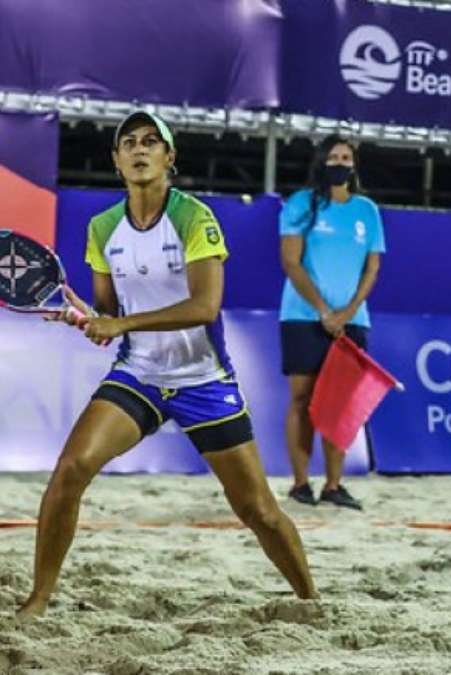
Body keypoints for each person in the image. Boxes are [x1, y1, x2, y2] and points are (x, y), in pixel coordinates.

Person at [17, 111, 317, 618]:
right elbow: (111, 314)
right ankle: (38, 599)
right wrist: (90, 320)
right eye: (128, 142)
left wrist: (120, 326)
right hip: (139, 377)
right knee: (72, 468)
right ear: (116, 160)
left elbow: (204, 308)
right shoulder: (102, 228)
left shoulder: (193, 216)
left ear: (168, 157)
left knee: (257, 511)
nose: (139, 149)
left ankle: (310, 599)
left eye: (151, 142)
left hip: (204, 380)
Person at [279, 136, 385, 511]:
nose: (340, 162)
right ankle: (300, 483)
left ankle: (334, 485)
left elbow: (372, 267)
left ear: (354, 165)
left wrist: (348, 310)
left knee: (339, 404)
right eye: (334, 156)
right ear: (321, 161)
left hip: (352, 320)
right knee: (302, 399)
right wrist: (324, 310)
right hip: (303, 316)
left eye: (347, 157)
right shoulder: (300, 205)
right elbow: (291, 262)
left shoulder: (367, 210)